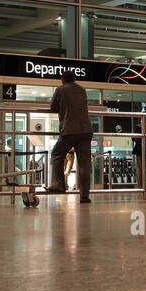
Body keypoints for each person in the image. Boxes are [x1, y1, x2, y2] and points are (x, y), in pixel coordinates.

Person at [46, 72, 93, 203]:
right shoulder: (82, 89)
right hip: (86, 130)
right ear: (75, 79)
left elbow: (53, 106)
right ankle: (84, 196)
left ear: (62, 80)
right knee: (84, 164)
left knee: (56, 154)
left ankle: (59, 185)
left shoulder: (61, 90)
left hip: (69, 130)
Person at [132, 116, 146, 188]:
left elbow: (133, 138)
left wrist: (137, 140)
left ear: (142, 119)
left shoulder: (138, 127)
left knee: (140, 169)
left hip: (139, 150)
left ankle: (140, 186)